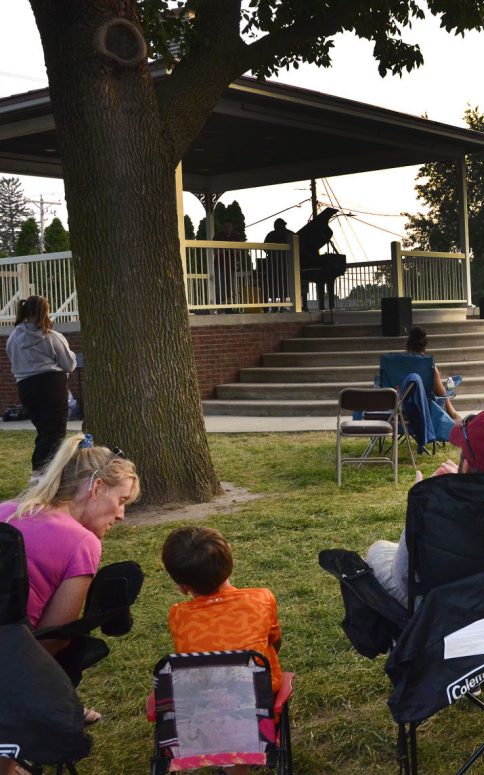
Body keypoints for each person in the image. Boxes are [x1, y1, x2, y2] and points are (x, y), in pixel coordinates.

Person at [2, 434, 139, 724]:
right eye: (122, 501)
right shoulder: (82, 543)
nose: (122, 515)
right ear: (97, 488)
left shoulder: (5, 511)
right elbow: (55, 638)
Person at [366, 410, 484, 609]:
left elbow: (404, 580)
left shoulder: (444, 512)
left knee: (378, 550)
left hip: (449, 612)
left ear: (467, 466)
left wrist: (418, 507)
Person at [162, 526, 284, 772]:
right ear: (230, 563)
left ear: (182, 585)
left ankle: (232, 762)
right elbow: (275, 640)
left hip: (200, 712)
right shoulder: (261, 599)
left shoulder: (178, 615)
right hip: (261, 709)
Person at [6, 296, 77, 472]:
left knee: (45, 432)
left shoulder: (13, 338)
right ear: (45, 312)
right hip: (51, 386)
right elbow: (69, 364)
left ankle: (42, 473)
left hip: (26, 387)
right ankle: (42, 474)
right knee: (55, 434)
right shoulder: (52, 337)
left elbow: (13, 359)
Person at [404, 326, 460, 423]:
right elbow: (441, 393)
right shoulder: (429, 367)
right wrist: (437, 376)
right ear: (424, 346)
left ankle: (454, 414)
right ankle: (453, 415)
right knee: (443, 393)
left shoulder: (397, 364)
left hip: (401, 409)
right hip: (425, 410)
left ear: (408, 344)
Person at [259, 217, 294, 307]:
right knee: (285, 284)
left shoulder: (271, 234)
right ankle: (283, 305)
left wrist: (271, 253)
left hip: (273, 264)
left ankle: (275, 305)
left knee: (274, 284)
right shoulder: (290, 234)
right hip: (287, 264)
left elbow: (264, 247)